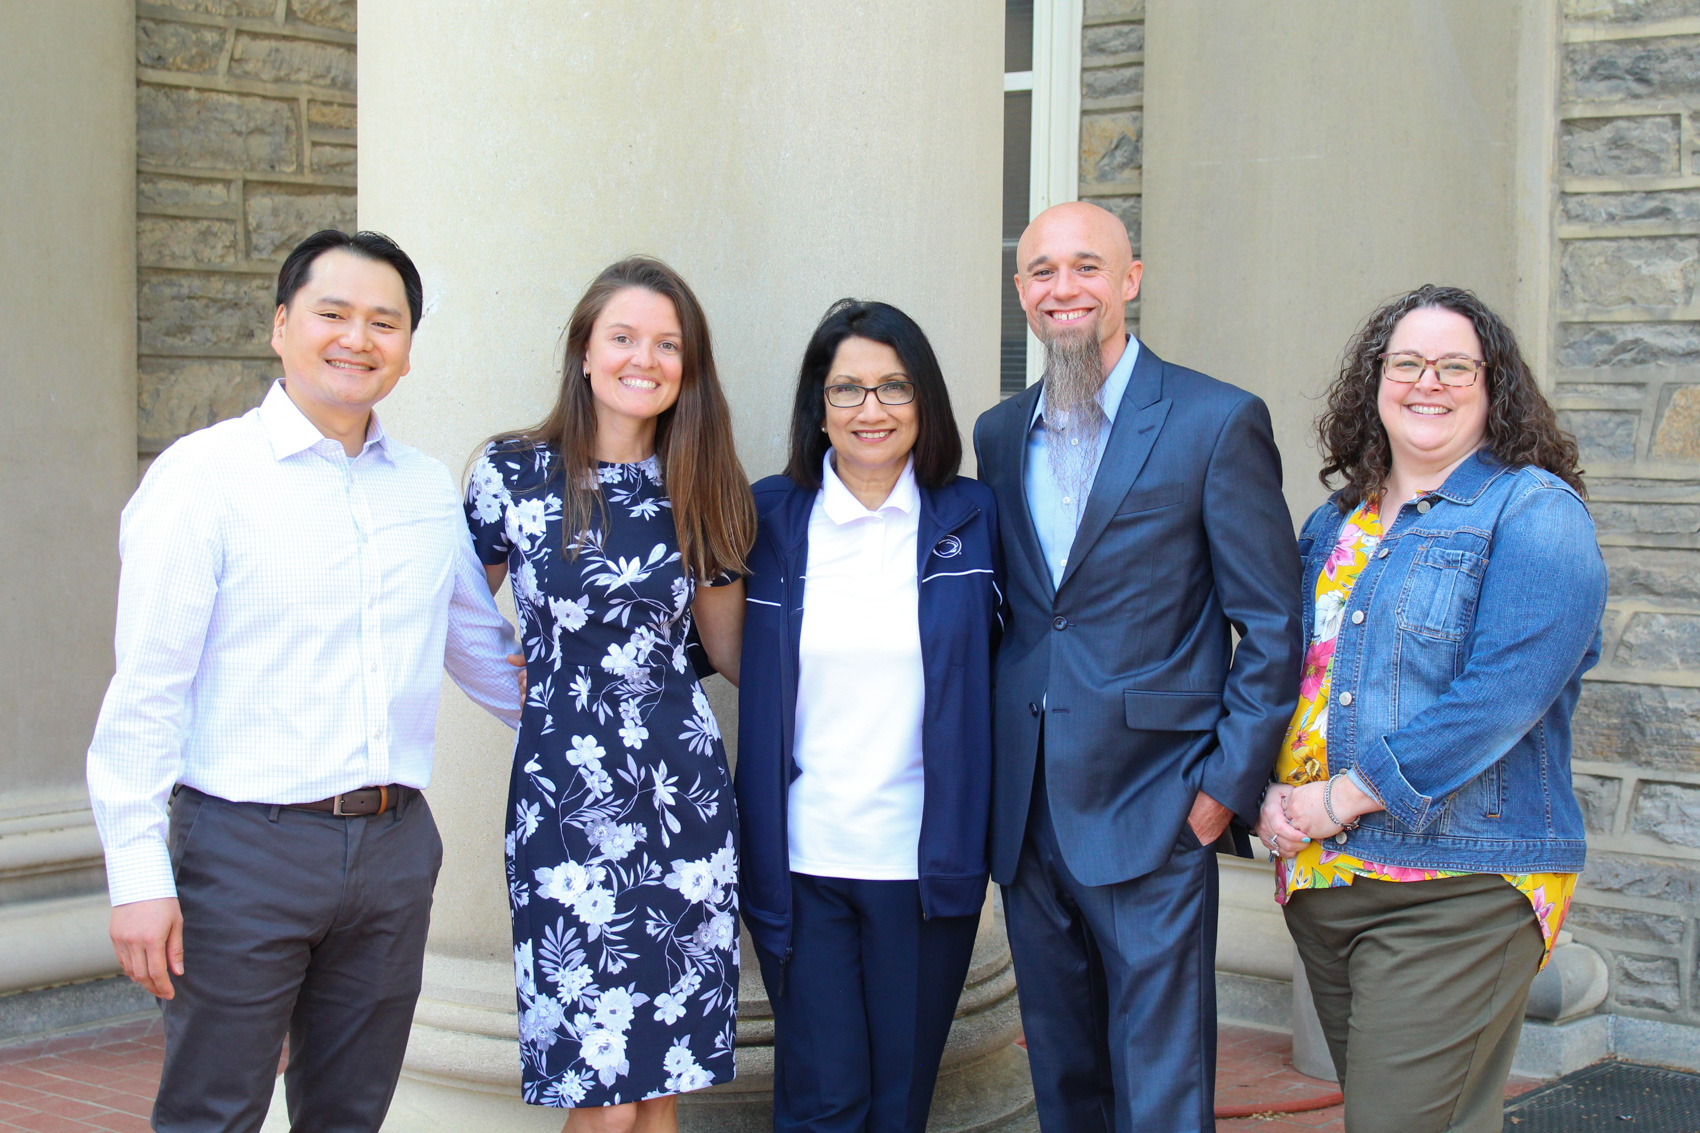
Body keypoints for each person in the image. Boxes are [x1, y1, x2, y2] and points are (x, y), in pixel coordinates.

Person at [85, 229, 524, 1132]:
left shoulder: (426, 489)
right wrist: (136, 875)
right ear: (281, 325)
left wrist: (621, 721)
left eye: (384, 322)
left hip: (395, 847)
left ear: (406, 349)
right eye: (332, 314)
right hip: (245, 849)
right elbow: (146, 691)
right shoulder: (205, 478)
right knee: (215, 1108)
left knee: (349, 1112)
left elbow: (485, 652)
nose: (357, 339)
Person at [972, 201, 1304, 1132]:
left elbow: (1273, 623)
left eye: (1087, 266)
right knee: (1064, 1075)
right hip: (1028, 808)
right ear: (1021, 294)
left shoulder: (1214, 419)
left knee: (1160, 1084)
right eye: (1042, 271)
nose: (1063, 287)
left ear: (1131, 279)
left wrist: (1221, 790)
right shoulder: (997, 434)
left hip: (1158, 804)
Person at [1255, 285, 1606, 1133]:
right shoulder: (1333, 523)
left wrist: (1338, 797)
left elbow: (1499, 699)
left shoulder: (1533, 512)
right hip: (1325, 880)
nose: (1429, 382)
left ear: (1494, 387)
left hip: (1458, 883)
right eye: (1407, 363)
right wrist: (1261, 790)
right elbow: (1288, 676)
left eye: (1457, 366)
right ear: (1375, 380)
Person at [465, 256, 754, 1130]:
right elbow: (455, 619)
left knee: (657, 1083)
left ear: (689, 367)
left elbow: (731, 650)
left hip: (683, 800)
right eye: (623, 336)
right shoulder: (510, 474)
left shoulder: (702, 482)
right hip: (563, 801)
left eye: (669, 344)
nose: (645, 358)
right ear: (584, 352)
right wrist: (525, 689)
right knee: (599, 1095)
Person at [735, 299, 1003, 1133]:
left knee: (898, 1105)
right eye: (846, 389)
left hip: (927, 866)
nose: (871, 410)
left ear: (924, 400)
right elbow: (689, 636)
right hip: (804, 862)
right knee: (824, 1099)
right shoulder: (771, 517)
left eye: (893, 386)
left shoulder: (974, 517)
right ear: (818, 407)